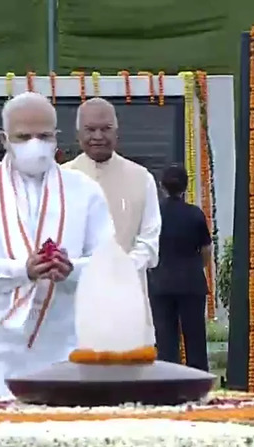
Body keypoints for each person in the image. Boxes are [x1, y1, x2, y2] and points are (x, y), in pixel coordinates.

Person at [0, 92, 115, 397]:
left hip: (64, 347)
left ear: (57, 138)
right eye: (23, 136)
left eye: (44, 135)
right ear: (4, 139)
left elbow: (108, 263)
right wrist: (22, 271)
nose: (35, 144)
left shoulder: (85, 191)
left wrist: (71, 270)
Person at [61, 97, 160, 345]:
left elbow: (149, 240)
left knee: (128, 379)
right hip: (73, 301)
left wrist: (122, 267)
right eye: (90, 129)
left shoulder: (141, 178)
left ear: (117, 132)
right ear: (78, 134)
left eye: (105, 129)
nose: (98, 136)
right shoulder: (60, 179)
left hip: (127, 300)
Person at [147, 166, 211, 371]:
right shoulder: (195, 214)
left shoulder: (153, 214)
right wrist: (196, 267)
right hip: (191, 282)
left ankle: (168, 381)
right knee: (195, 336)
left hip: (160, 282)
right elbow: (206, 249)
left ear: (161, 186)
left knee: (165, 337)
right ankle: (199, 380)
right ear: (186, 187)